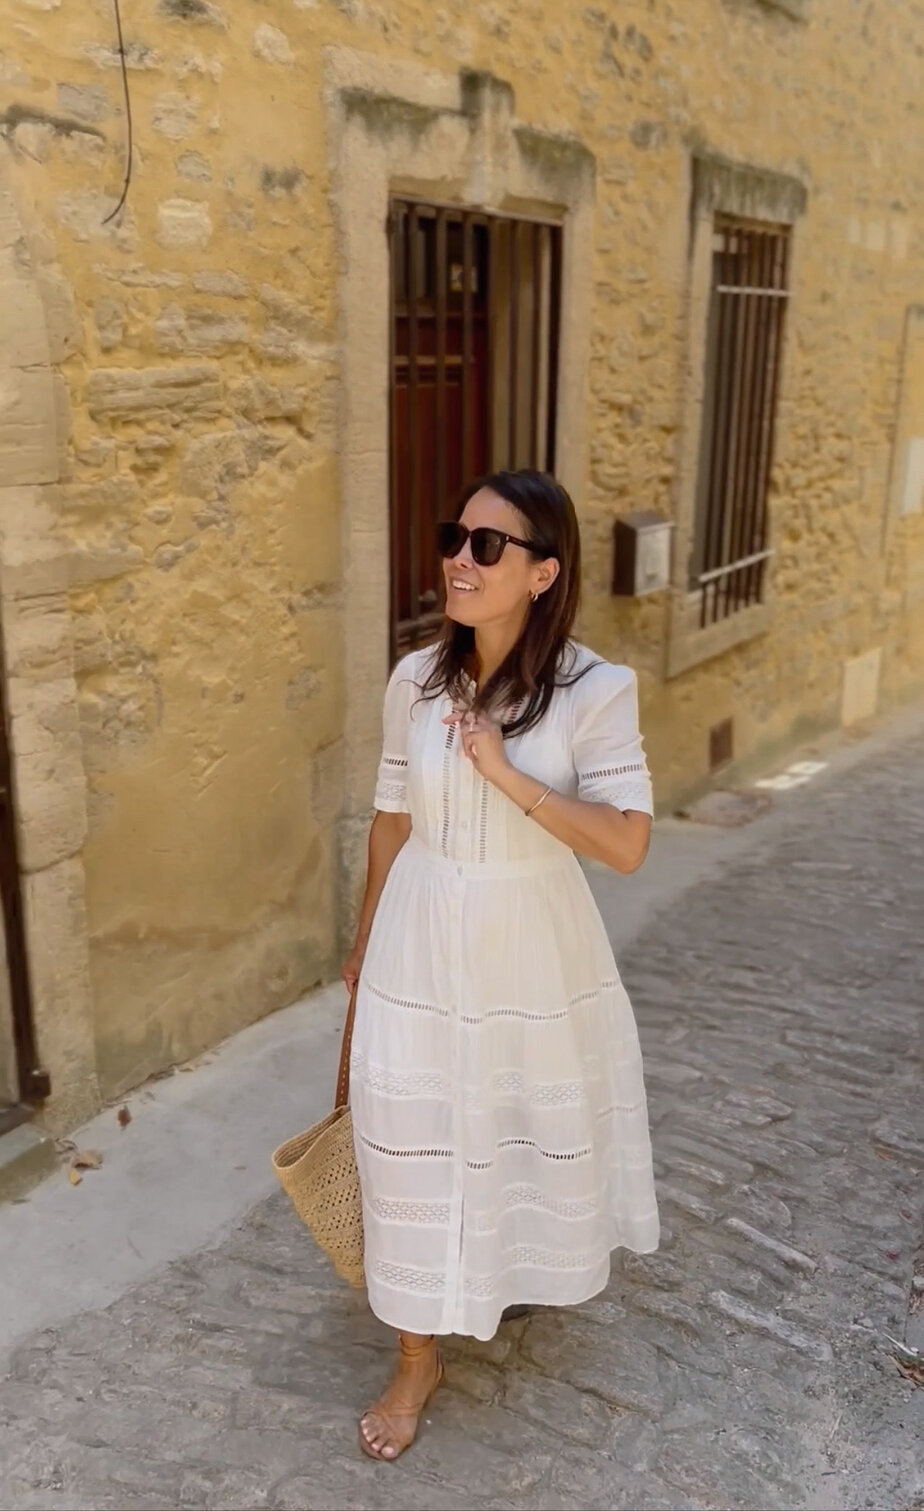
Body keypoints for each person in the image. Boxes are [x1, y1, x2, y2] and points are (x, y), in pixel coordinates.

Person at [342, 468, 659, 1462]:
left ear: (543, 571)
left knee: (510, 1122)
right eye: (455, 536)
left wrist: (505, 772)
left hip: (531, 936)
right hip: (420, 930)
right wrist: (361, 952)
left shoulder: (595, 690)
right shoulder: (414, 679)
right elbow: (390, 822)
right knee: (407, 1133)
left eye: (489, 545)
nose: (460, 558)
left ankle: (493, 1274)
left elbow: (625, 843)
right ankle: (414, 1352)